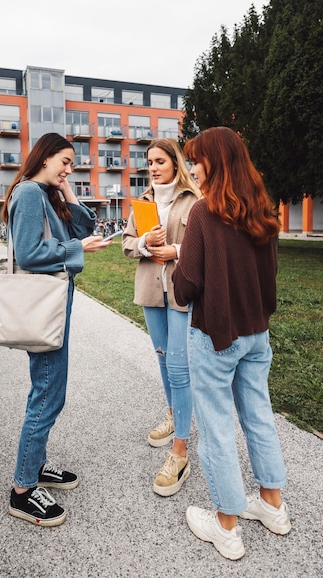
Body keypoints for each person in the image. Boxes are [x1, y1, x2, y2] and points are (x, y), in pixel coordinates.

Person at [173, 126, 291, 560]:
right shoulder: (263, 210)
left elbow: (186, 287)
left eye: (196, 160)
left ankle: (226, 526)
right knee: (259, 416)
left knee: (219, 429)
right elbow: (270, 278)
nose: (192, 169)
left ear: (215, 163)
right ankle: (273, 506)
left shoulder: (204, 213)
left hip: (216, 336)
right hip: (256, 333)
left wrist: (176, 263)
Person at [1, 132, 111, 527]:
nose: (70, 168)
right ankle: (23, 490)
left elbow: (84, 227)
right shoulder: (30, 193)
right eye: (65, 161)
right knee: (47, 392)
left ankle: (36, 464)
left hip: (53, 303)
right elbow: (29, 253)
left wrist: (66, 188)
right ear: (45, 157)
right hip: (43, 304)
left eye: (71, 164)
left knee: (51, 389)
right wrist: (77, 252)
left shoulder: (46, 192)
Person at [122, 138, 201, 496]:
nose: (152, 167)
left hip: (182, 294)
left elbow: (207, 245)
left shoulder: (194, 199)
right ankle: (173, 415)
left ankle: (181, 451)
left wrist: (175, 250)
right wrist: (143, 243)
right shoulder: (143, 203)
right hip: (151, 294)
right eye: (149, 162)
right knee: (164, 359)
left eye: (159, 161)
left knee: (180, 368)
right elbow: (126, 244)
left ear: (175, 163)